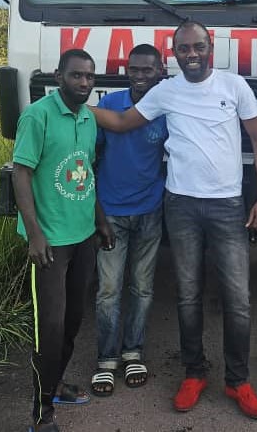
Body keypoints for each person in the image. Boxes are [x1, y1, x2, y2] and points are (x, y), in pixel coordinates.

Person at [91, 21, 257, 420]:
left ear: (210, 48)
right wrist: (72, 106)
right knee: (188, 295)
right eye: (184, 48)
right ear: (174, 54)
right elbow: (121, 122)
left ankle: (238, 380)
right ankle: (194, 373)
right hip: (181, 206)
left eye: (198, 46)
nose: (192, 54)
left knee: (238, 299)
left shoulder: (234, 86)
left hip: (227, 206)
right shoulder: (165, 91)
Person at [12, 48, 114, 432]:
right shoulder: (37, 116)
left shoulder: (88, 119)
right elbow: (21, 174)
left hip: (83, 236)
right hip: (50, 242)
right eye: (76, 75)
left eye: (89, 76)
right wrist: (34, 234)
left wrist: (100, 221)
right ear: (59, 77)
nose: (84, 82)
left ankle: (53, 387)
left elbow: (85, 173)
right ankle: (41, 414)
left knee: (72, 323)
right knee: (50, 330)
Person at [91, 44, 167, 397]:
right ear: (126, 71)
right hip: (111, 213)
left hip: (150, 210)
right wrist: (97, 213)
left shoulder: (166, 109)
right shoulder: (109, 105)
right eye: (134, 69)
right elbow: (90, 157)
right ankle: (106, 359)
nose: (140, 76)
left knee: (142, 287)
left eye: (147, 70)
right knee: (108, 290)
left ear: (160, 71)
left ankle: (133, 352)